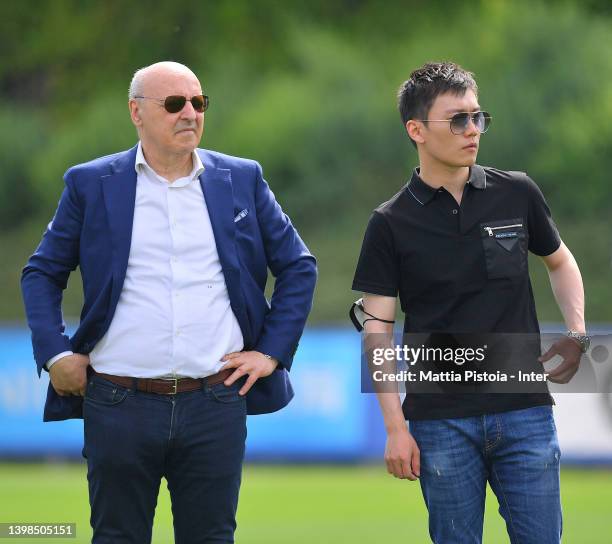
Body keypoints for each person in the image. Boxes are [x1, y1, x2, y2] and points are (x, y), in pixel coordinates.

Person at [21, 61, 317, 544]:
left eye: (198, 103)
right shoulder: (90, 183)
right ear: (136, 113)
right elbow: (41, 272)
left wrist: (270, 352)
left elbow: (299, 267)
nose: (190, 114)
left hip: (216, 400)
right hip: (117, 401)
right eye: (174, 103)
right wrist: (55, 353)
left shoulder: (242, 178)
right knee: (117, 536)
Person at [352, 62, 588, 543]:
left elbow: (561, 262)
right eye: (457, 119)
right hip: (439, 423)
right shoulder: (389, 222)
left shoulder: (517, 192)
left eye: (478, 117)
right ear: (416, 130)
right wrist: (395, 427)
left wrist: (577, 333)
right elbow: (376, 330)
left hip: (525, 411)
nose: (472, 130)